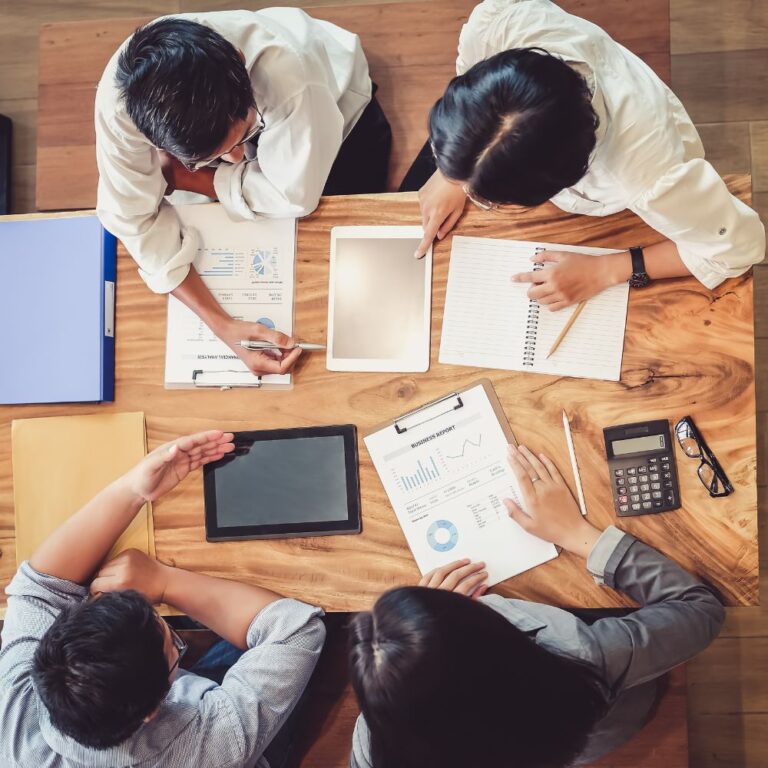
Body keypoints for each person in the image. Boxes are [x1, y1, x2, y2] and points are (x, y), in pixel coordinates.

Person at [348, 443, 725, 768]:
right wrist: (578, 535)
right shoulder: (583, 653)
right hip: (598, 724)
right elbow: (699, 609)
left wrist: (416, 643)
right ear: (488, 630)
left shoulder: (375, 743)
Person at [407, 0, 765, 310]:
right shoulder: (501, 24)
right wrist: (461, 166)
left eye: (492, 200)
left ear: (565, 176)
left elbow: (738, 248)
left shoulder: (647, 176)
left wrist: (606, 270)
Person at [0, 430, 326, 768]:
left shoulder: (13, 709)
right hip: (226, 740)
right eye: (174, 646)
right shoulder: (210, 745)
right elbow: (297, 627)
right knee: (311, 605)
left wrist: (132, 490)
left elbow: (40, 588)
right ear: (153, 710)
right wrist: (165, 582)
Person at [96, 10, 391, 375]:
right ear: (151, 138)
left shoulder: (290, 75)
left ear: (239, 57)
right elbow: (132, 220)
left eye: (242, 137)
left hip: (340, 111)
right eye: (212, 158)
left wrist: (195, 179)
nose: (236, 159)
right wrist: (223, 327)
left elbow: (295, 195)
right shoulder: (119, 108)